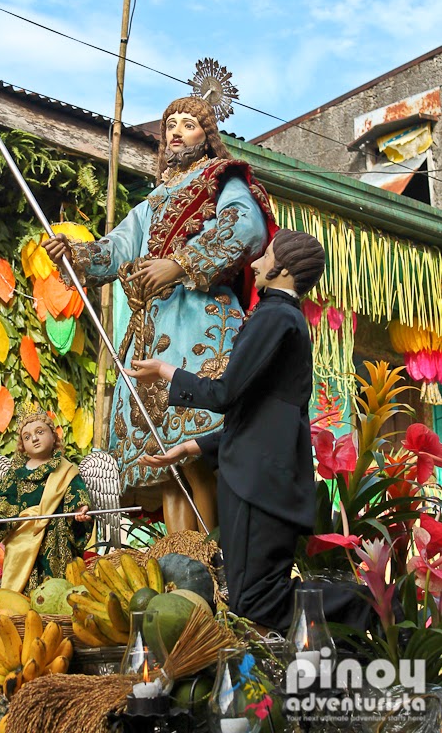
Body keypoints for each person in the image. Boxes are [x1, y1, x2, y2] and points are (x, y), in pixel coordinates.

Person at [43, 96, 277, 533]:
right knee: (163, 458)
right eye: (171, 124)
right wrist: (72, 254)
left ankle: (212, 553)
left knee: (194, 449)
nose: (176, 131)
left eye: (189, 124)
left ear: (208, 137)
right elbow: (114, 250)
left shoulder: (220, 179)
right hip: (154, 331)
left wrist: (180, 263)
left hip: (199, 323)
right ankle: (179, 552)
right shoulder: (152, 203)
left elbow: (246, 227)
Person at [126, 229, 372, 633]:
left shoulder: (275, 316)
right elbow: (261, 416)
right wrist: (190, 446)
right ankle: (360, 629)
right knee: (250, 599)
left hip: (260, 485)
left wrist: (165, 370)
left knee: (256, 599)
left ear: (285, 270)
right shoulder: (285, 320)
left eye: (266, 256)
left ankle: (373, 610)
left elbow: (224, 393)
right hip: (263, 481)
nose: (255, 264)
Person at [0, 407, 92, 593]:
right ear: (22, 445)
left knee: (56, 589)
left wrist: (79, 510)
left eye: (40, 432)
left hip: (56, 540)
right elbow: (4, 499)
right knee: (22, 593)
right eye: (27, 437)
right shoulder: (15, 474)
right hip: (22, 541)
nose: (34, 439)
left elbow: (76, 492)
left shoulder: (66, 469)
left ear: (53, 437)